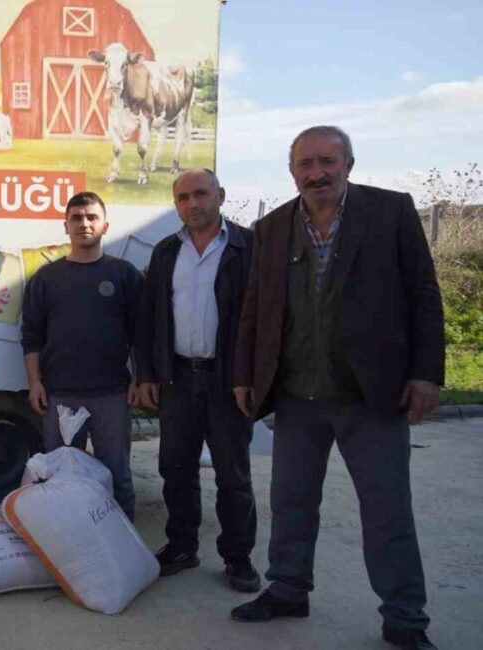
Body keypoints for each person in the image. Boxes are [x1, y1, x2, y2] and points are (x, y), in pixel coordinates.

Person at [230, 126, 444, 650]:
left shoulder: (391, 212)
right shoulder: (273, 225)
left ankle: (404, 618)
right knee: (291, 502)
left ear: (348, 163)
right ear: (292, 170)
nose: (316, 172)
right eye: (305, 163)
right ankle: (287, 588)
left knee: (387, 510)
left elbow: (423, 294)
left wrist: (426, 372)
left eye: (327, 160)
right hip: (297, 396)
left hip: (372, 396)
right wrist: (244, 375)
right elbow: (255, 309)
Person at [133, 169, 259, 591]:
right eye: (183, 197)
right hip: (179, 379)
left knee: (232, 474)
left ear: (221, 195)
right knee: (176, 469)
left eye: (200, 194)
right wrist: (147, 373)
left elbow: (266, 321)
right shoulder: (167, 251)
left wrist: (254, 376)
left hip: (229, 381)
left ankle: (238, 557)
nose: (192, 203)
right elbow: (149, 319)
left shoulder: (248, 247)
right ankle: (182, 547)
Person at [20, 191, 143, 520]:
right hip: (60, 395)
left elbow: (140, 335)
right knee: (62, 478)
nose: (84, 223)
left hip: (112, 394)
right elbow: (31, 337)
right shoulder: (45, 279)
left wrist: (139, 378)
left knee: (117, 475)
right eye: (76, 218)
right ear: (66, 226)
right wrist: (35, 383)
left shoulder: (125, 275)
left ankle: (123, 545)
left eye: (91, 217)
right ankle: (70, 545)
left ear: (105, 226)